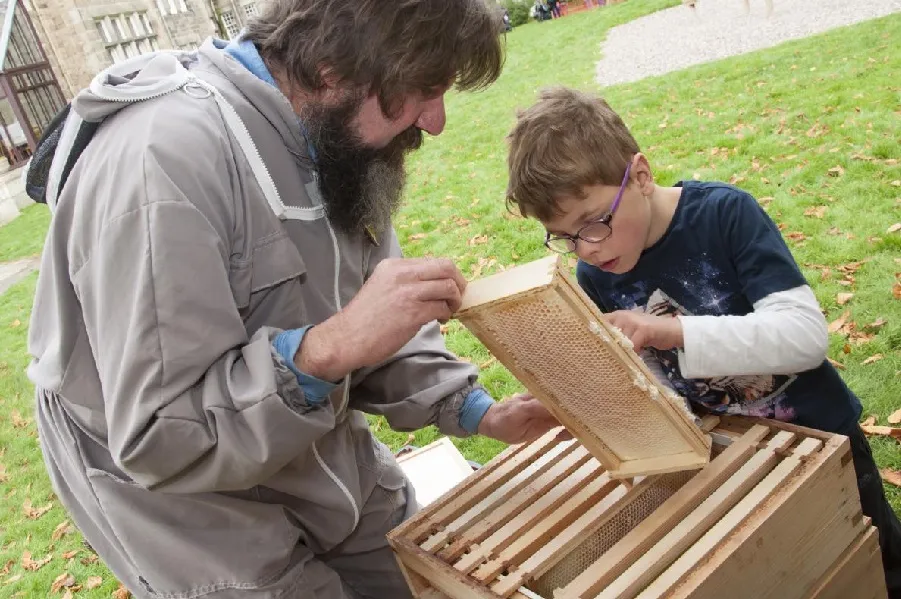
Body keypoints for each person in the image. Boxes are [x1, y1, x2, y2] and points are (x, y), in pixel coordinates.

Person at [26, 1, 562, 597]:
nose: (434, 121)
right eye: (423, 88)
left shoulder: (335, 137)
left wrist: (475, 410)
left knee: (423, 578)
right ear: (333, 64)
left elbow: (367, 316)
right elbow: (161, 432)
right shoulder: (162, 162)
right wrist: (325, 350)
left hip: (320, 453)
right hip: (192, 506)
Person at [503, 87, 901, 597]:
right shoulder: (597, 274)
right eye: (564, 236)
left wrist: (673, 331)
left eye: (594, 222)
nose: (586, 248)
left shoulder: (725, 215)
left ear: (641, 175)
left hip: (823, 438)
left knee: (874, 559)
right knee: (805, 571)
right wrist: (585, 396)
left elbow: (805, 337)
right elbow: (650, 378)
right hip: (733, 456)